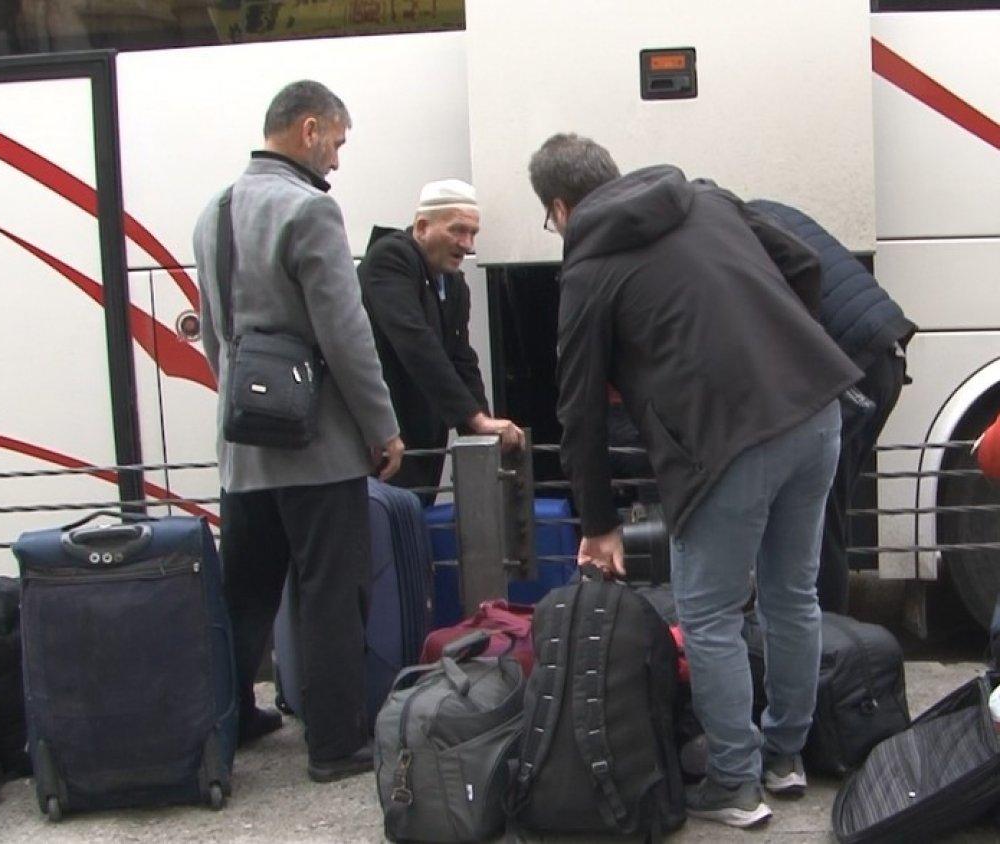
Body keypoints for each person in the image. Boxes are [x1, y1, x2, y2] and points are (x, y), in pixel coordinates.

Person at [528, 133, 861, 828]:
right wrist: (777, 346)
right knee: (791, 594)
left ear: (559, 208)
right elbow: (801, 262)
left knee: (710, 615)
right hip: (815, 406)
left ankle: (735, 784)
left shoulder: (588, 270)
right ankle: (785, 757)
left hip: (724, 441)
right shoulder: (704, 197)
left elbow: (579, 409)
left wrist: (598, 524)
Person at [192, 80, 405, 784]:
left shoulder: (215, 211)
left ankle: (228, 722)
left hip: (244, 447)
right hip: (317, 449)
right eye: (336, 143)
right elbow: (345, 334)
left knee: (244, 594)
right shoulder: (310, 209)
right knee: (331, 592)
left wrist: (243, 410)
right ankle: (335, 744)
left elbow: (215, 338)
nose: (337, 160)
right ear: (308, 129)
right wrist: (381, 426)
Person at [749, 200, 916, 615]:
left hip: (854, 362)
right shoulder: (757, 213)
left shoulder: (730, 236)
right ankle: (829, 631)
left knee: (817, 519)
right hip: (884, 347)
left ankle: (828, 635)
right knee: (825, 514)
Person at [357, 179, 524, 504]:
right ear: (422, 226)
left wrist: (482, 429)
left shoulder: (454, 284)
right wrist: (475, 418)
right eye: (458, 230)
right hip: (386, 437)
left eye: (473, 233)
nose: (467, 244)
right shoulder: (391, 258)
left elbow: (462, 359)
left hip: (423, 439)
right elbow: (415, 342)